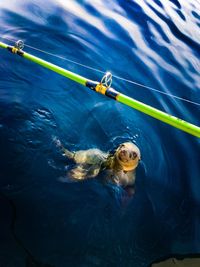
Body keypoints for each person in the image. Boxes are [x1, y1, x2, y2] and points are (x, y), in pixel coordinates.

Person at [54, 138, 141, 194]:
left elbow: (129, 190)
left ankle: (63, 151)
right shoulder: (98, 156)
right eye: (123, 146)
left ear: (138, 160)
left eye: (133, 155)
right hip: (102, 172)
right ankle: (64, 152)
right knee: (95, 155)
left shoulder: (130, 178)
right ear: (118, 148)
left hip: (105, 176)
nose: (125, 151)